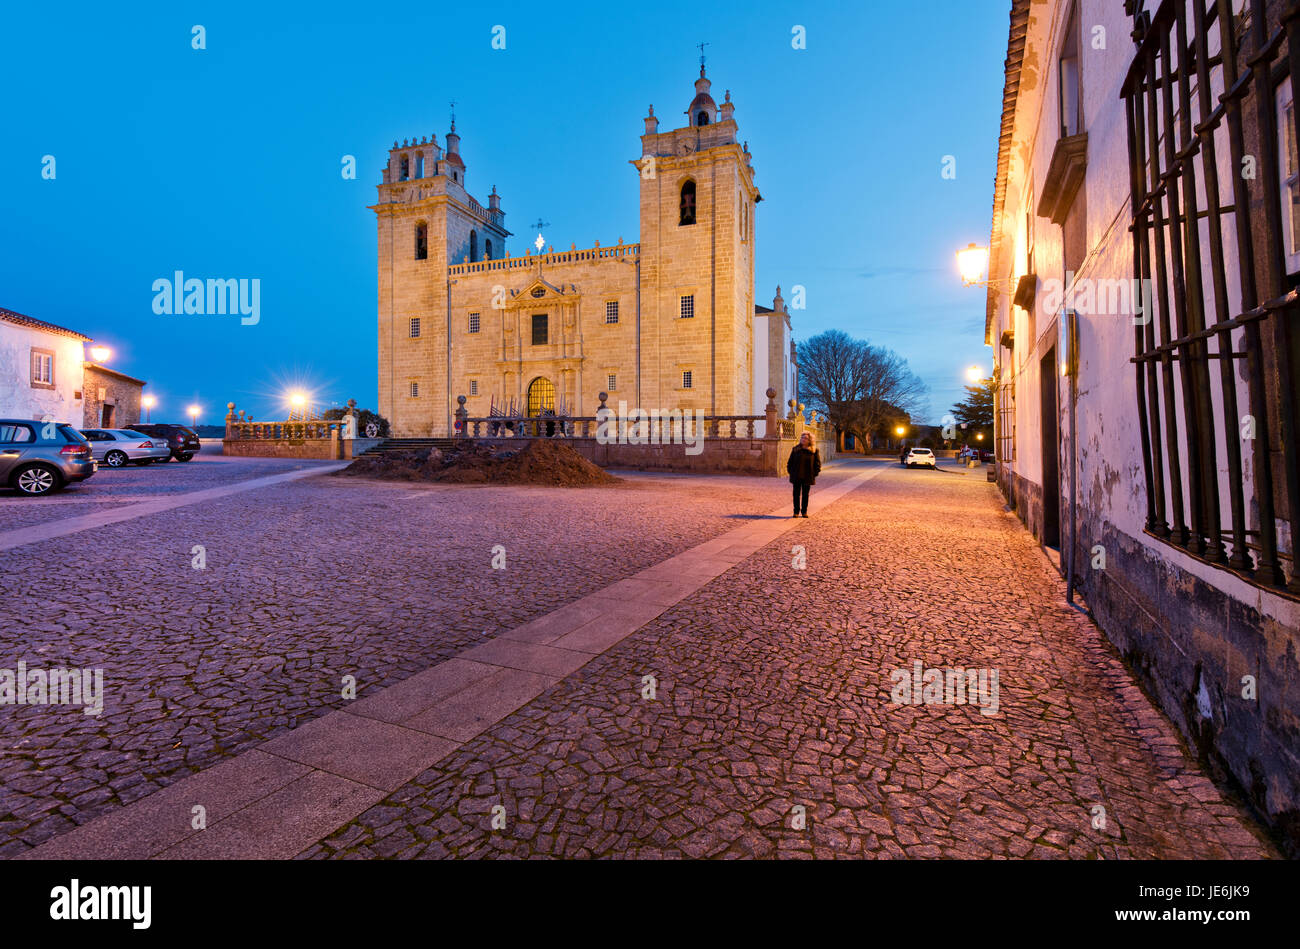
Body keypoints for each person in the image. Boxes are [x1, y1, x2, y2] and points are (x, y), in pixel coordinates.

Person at [786, 431, 821, 518]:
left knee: (805, 495)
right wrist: (791, 472)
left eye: (805, 438)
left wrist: (814, 474)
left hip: (808, 476)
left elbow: (817, 464)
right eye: (802, 437)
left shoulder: (814, 450)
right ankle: (796, 511)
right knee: (796, 494)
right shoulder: (795, 449)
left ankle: (804, 511)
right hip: (797, 475)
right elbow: (790, 462)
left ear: (810, 440)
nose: (803, 439)